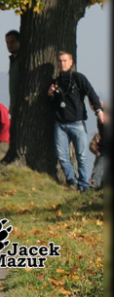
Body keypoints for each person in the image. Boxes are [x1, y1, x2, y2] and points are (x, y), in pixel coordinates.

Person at [48, 51, 106, 192]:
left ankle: (84, 184)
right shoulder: (55, 82)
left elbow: (91, 93)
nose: (62, 63)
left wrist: (99, 110)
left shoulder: (78, 78)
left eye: (65, 61)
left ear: (71, 62)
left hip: (77, 123)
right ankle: (71, 179)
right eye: (60, 61)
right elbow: (50, 105)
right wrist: (50, 95)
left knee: (81, 156)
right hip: (60, 124)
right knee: (62, 155)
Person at [5, 30, 20, 115]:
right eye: (7, 43)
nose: (9, 45)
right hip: (15, 106)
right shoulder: (12, 60)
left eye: (12, 42)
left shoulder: (22, 60)